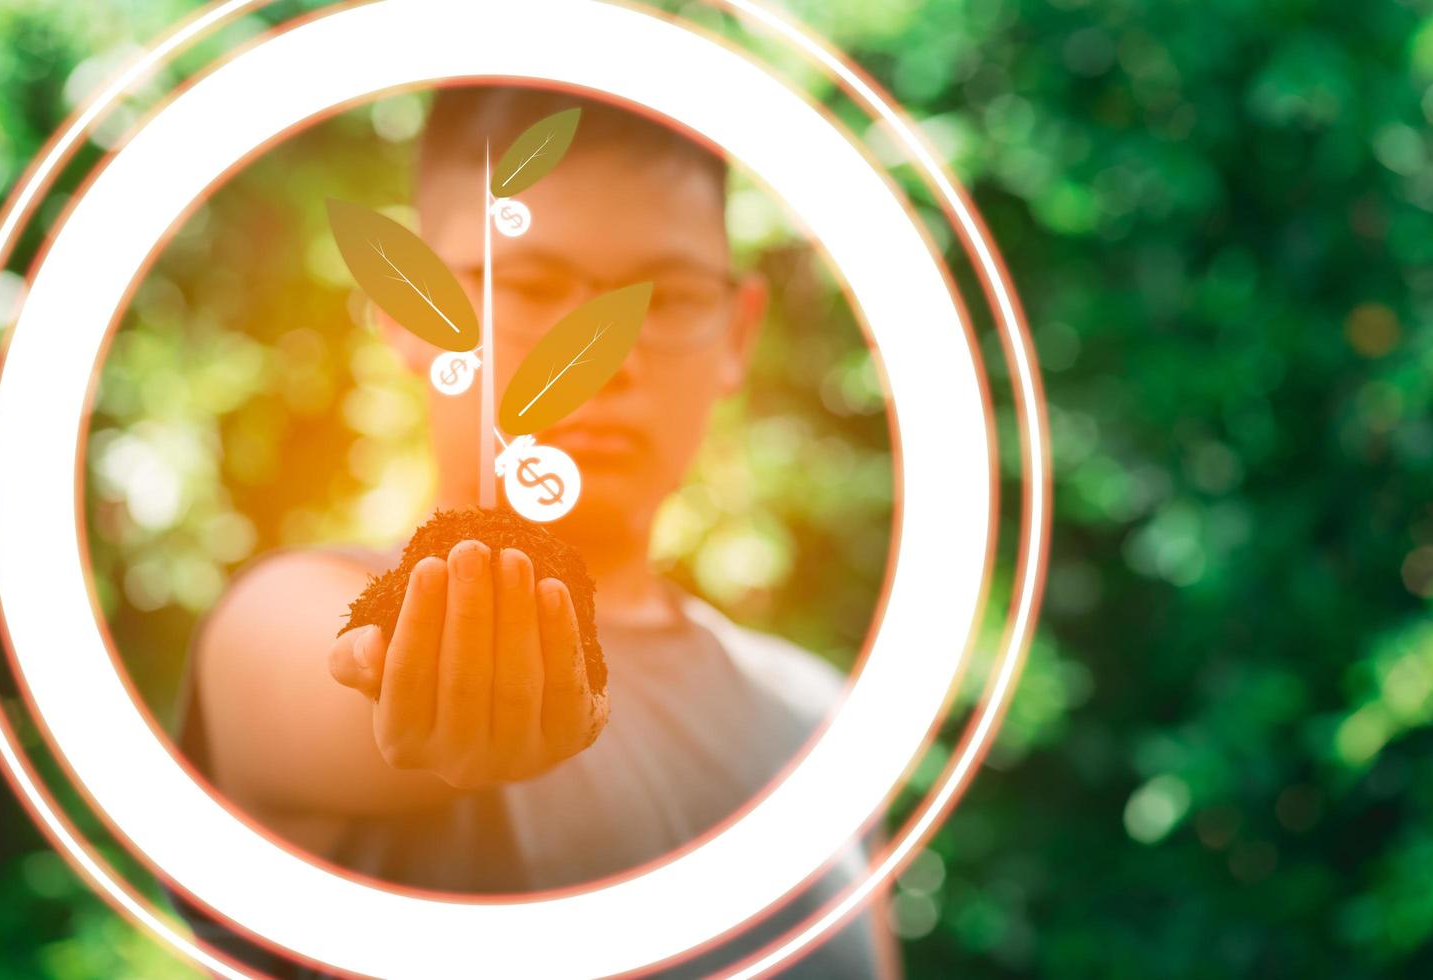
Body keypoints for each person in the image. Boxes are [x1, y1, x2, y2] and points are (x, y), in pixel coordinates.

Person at [166, 84, 899, 979]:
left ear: (736, 331)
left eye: (662, 299)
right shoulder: (278, 628)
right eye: (529, 284)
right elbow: (326, 678)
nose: (602, 355)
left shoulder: (822, 730)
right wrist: (423, 685)